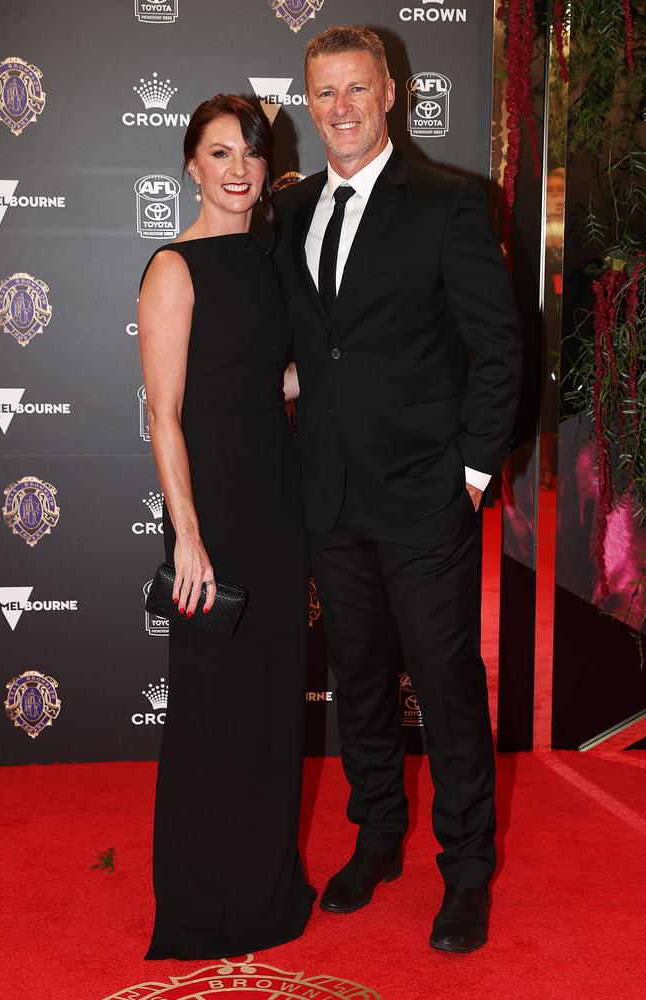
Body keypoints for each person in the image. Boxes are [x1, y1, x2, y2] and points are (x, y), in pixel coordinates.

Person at [273, 25, 522, 953]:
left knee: (450, 690)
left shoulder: (450, 205)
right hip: (331, 495)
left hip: (424, 497)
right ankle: (376, 838)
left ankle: (465, 875)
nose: (337, 108)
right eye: (321, 93)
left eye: (353, 89)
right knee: (361, 683)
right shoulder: (292, 211)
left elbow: (499, 352)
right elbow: (311, 345)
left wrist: (465, 474)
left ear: (389, 95)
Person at [137, 94, 313, 960]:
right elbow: (165, 414)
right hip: (211, 512)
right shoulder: (174, 266)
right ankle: (203, 900)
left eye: (249, 151)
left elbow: (264, 379)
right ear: (192, 166)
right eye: (218, 153)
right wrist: (189, 539)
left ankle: (268, 887)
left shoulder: (274, 258)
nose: (237, 168)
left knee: (273, 705)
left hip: (277, 504)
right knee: (211, 710)